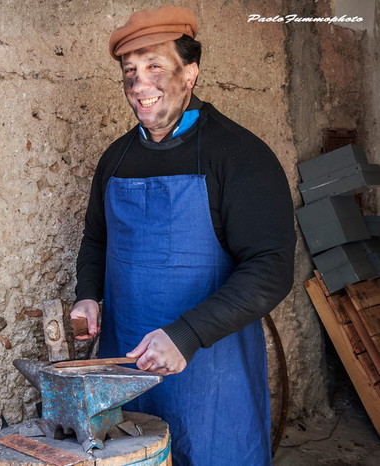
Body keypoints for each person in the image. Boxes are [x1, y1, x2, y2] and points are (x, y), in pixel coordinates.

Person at [69, 5, 295, 465]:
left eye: (155, 67)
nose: (140, 85)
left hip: (211, 369)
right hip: (127, 366)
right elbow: (96, 241)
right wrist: (88, 294)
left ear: (190, 73)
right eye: (130, 72)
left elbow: (271, 269)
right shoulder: (115, 158)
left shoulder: (238, 155)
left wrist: (186, 335)